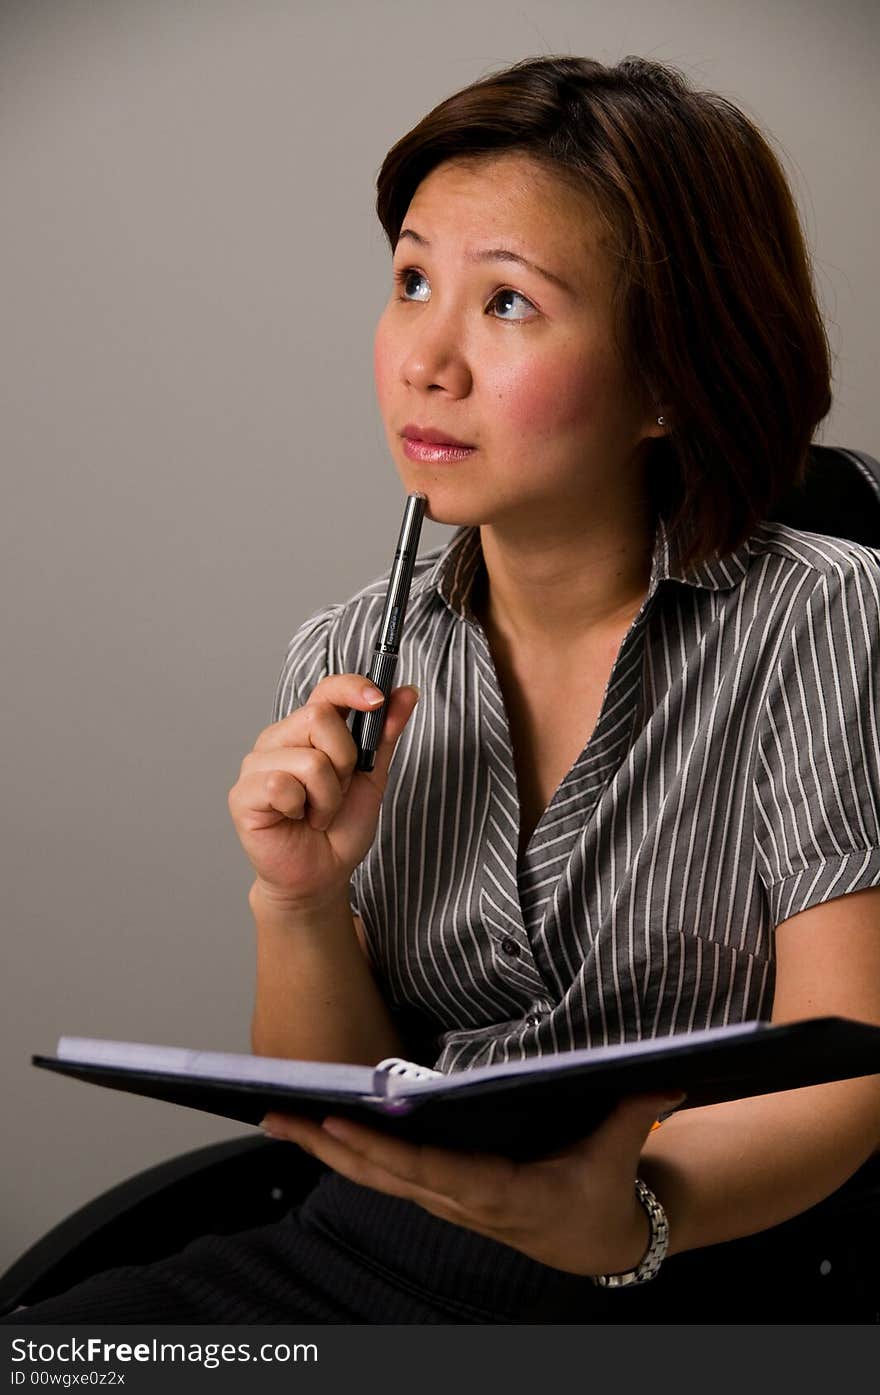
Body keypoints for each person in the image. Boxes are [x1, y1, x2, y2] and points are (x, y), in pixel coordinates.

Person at [6, 53, 880, 1326]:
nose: (426, 357)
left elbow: (852, 1062)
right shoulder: (352, 653)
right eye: (410, 280)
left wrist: (627, 1218)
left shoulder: (822, 618)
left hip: (698, 1277)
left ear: (663, 377)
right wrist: (297, 898)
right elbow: (330, 1114)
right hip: (365, 1260)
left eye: (508, 305)